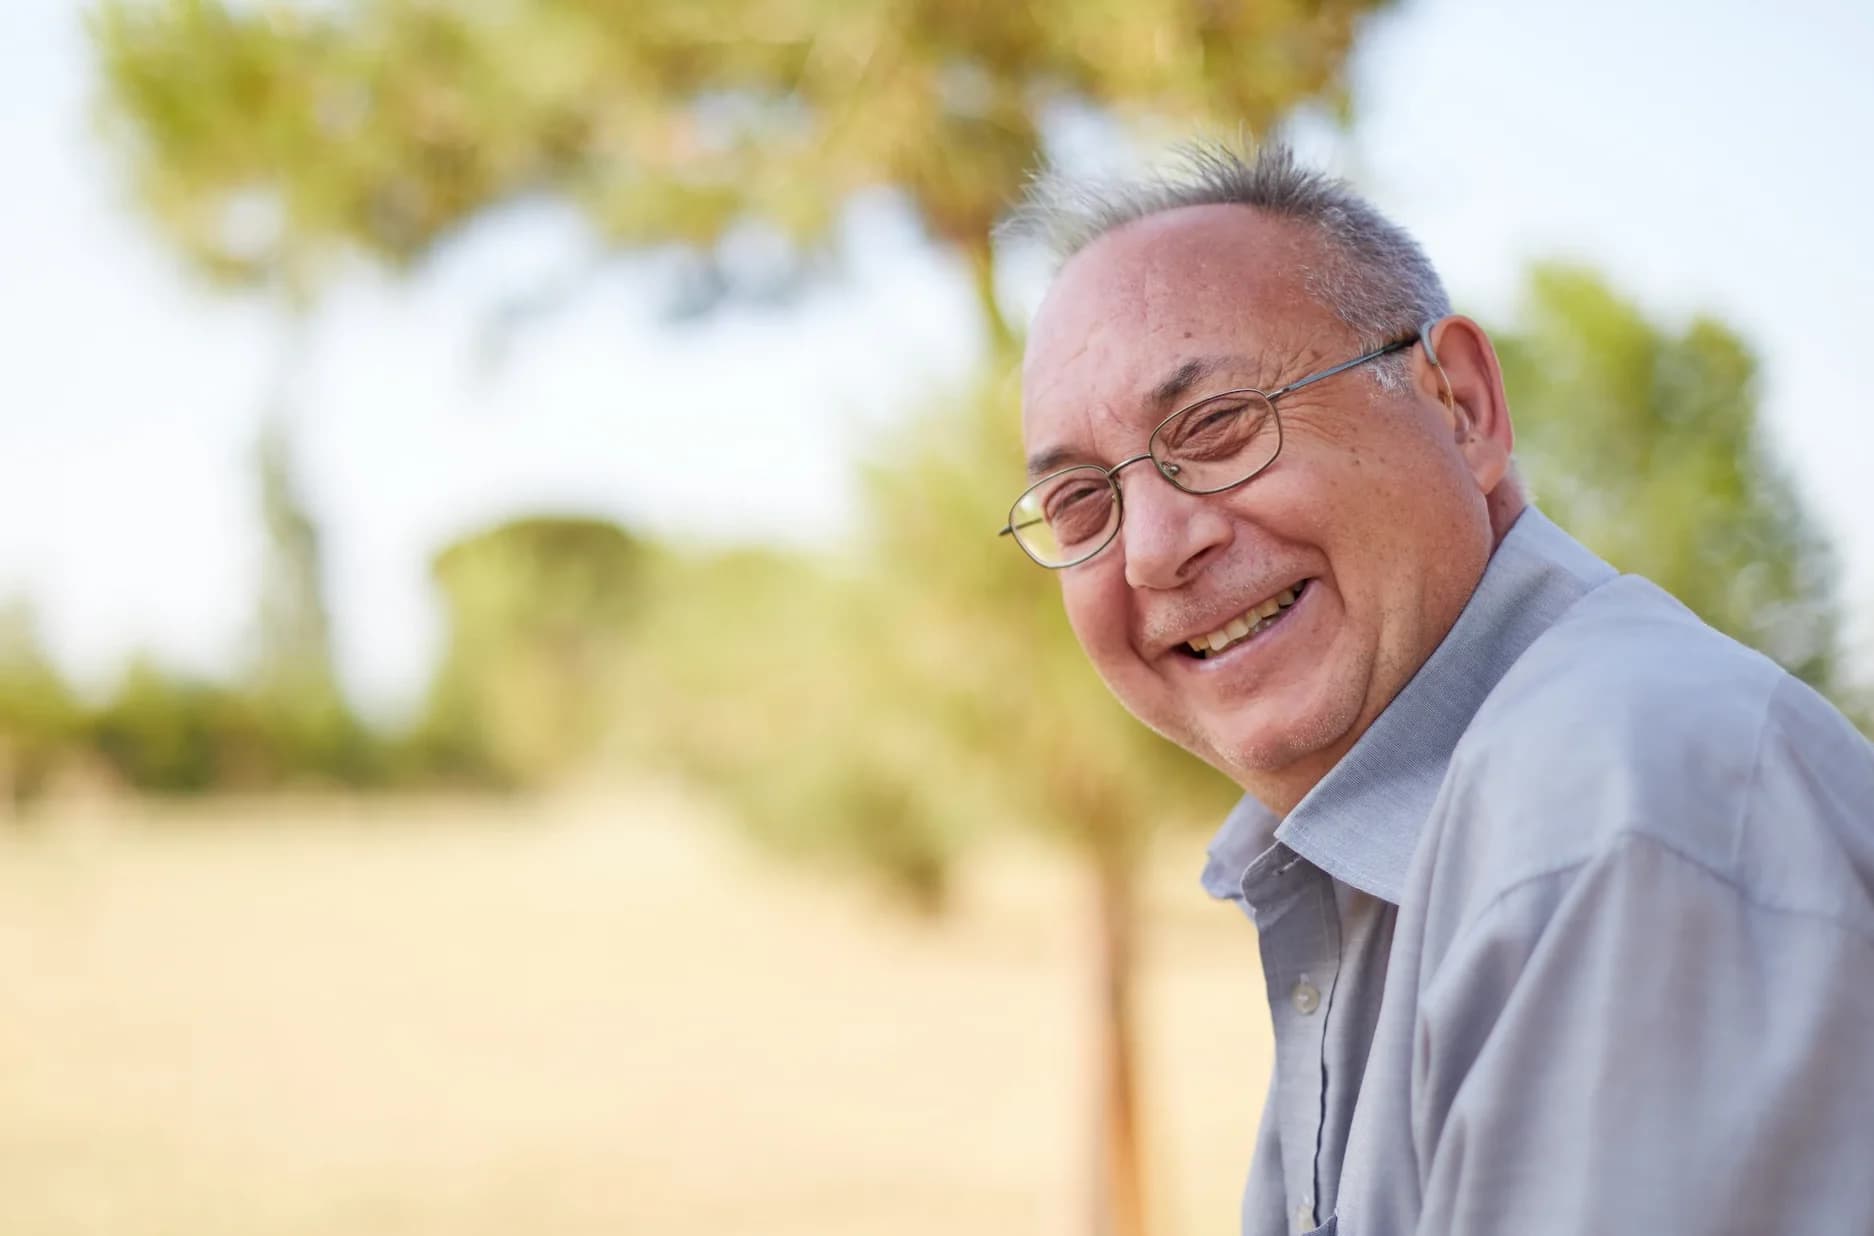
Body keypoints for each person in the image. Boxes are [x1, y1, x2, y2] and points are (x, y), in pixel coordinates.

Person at [998, 143, 1874, 1236]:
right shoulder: (1392, 840)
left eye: (1215, 429)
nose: (1150, 554)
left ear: (1458, 404)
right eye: (1080, 503)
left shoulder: (1618, 810)